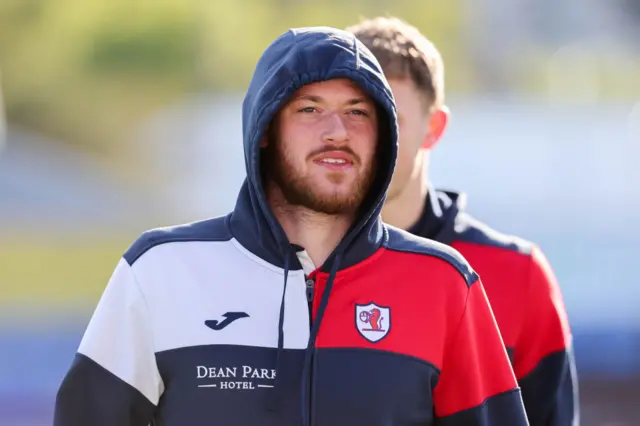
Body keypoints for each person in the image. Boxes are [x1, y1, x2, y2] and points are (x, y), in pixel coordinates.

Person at [53, 26, 528, 426]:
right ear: (264, 130)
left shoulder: (444, 284)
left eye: (358, 112)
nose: (337, 131)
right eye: (310, 109)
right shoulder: (160, 271)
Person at [347, 17, 579, 426]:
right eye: (356, 115)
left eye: (390, 118)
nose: (367, 139)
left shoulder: (517, 275)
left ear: (433, 128)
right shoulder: (298, 267)